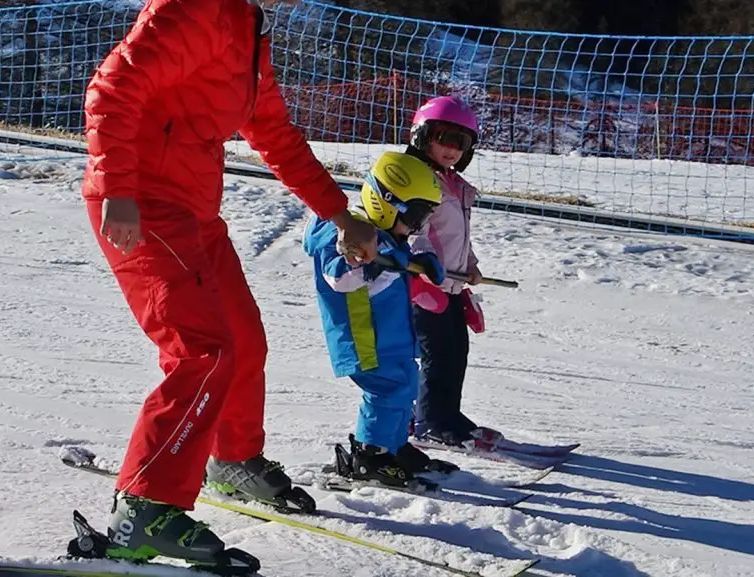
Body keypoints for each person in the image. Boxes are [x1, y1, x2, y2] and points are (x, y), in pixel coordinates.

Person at [79, 0, 379, 568]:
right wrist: (118, 187)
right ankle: (144, 506)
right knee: (202, 351)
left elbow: (274, 133)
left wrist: (340, 215)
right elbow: (112, 88)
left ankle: (233, 461)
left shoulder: (246, 25)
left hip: (192, 209)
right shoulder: (196, 9)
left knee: (242, 339)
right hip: (142, 203)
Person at [303, 151, 459, 490]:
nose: (415, 226)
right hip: (364, 336)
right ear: (388, 202)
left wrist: (418, 260)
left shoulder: (385, 235)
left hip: (391, 334)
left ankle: (394, 446)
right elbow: (340, 278)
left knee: (406, 383)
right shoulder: (345, 232)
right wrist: (371, 263)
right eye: (415, 216)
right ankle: (370, 455)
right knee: (387, 389)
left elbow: (394, 257)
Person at [404, 96, 503, 451]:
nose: (451, 149)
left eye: (460, 143)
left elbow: (458, 235)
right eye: (443, 137)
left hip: (452, 282)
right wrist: (428, 263)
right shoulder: (415, 179)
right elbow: (413, 232)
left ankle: (447, 414)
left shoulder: (455, 186)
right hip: (423, 283)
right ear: (422, 135)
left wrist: (470, 264)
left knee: (455, 348)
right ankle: (430, 420)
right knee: (437, 351)